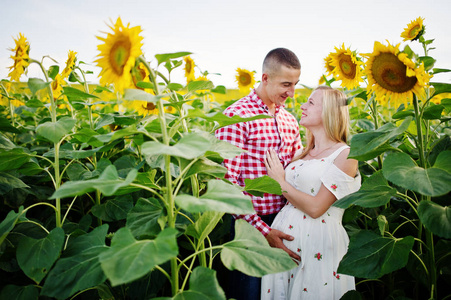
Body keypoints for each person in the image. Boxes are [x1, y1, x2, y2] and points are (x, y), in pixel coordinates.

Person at [215, 48, 303, 300]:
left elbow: (296, 170)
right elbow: (226, 182)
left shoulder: (289, 120)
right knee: (249, 294)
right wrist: (262, 230)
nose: (292, 93)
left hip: (286, 222)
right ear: (265, 78)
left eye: (295, 84)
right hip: (249, 226)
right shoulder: (236, 116)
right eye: (286, 84)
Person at [260, 85, 361, 299]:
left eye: (311, 103)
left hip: (318, 246)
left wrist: (280, 180)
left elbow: (317, 208)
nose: (303, 106)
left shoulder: (346, 155)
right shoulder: (302, 152)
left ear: (329, 112)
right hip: (284, 249)